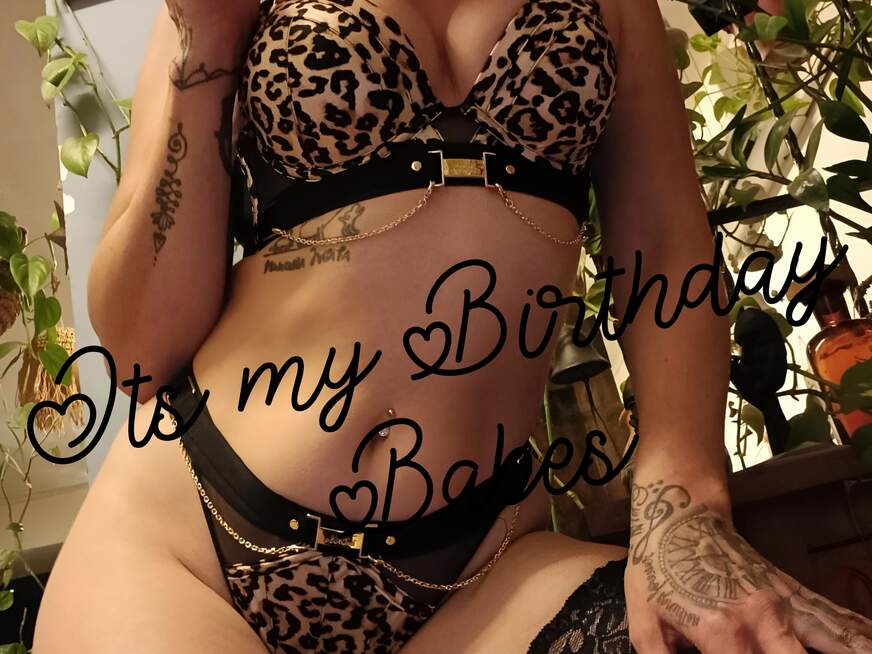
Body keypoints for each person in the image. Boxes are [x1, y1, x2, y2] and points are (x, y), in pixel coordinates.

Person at [33, 0, 872, 652]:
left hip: (483, 571)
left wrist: (682, 504)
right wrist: (205, 37)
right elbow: (142, 350)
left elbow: (664, 247)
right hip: (190, 547)